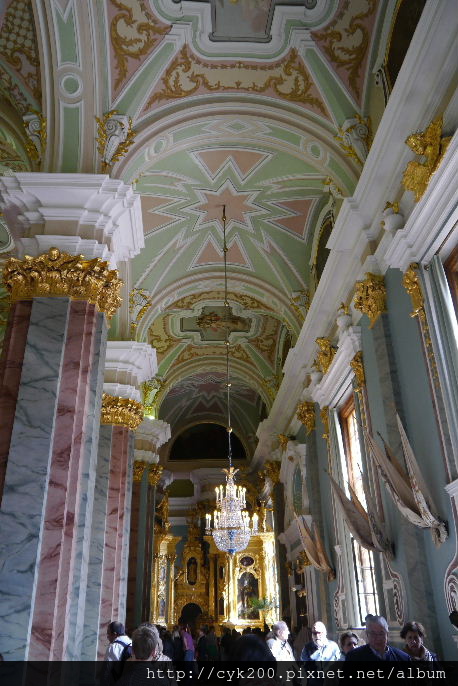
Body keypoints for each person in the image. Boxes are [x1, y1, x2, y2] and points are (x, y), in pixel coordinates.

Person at [345, 616, 410, 661]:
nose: (378, 638)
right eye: (373, 634)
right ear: (367, 635)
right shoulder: (353, 657)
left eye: (381, 633)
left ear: (387, 634)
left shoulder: (402, 658)